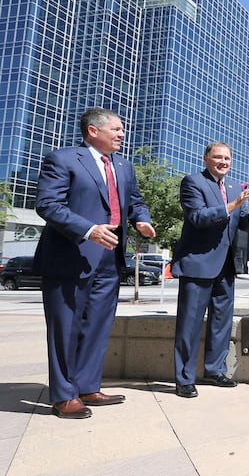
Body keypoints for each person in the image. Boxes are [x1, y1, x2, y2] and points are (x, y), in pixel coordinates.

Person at [34, 108, 156, 419]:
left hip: (110, 258)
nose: (122, 134)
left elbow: (136, 201)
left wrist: (142, 220)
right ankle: (64, 396)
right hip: (70, 257)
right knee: (65, 329)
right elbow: (48, 204)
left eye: (122, 129)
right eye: (115, 129)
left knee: (98, 327)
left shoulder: (124, 166)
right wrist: (88, 230)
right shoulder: (62, 159)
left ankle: (88, 386)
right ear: (92, 131)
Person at [172, 142, 249, 398]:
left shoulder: (233, 187)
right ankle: (184, 379)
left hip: (226, 267)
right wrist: (233, 206)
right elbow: (198, 217)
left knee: (221, 323)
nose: (223, 162)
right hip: (198, 265)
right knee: (190, 324)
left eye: (227, 158)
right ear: (206, 159)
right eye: (218, 157)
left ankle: (215, 370)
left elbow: (239, 225)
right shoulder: (193, 182)